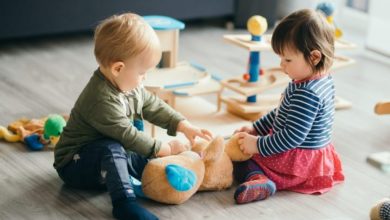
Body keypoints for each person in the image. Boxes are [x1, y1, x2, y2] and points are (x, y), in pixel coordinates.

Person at [53, 13, 212, 219]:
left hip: (109, 149)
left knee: (134, 141)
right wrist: (163, 148)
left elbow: (152, 105)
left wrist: (182, 125)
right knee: (116, 147)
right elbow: (128, 136)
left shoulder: (129, 85)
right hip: (75, 165)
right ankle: (124, 203)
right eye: (142, 72)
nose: (144, 78)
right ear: (118, 68)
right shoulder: (100, 99)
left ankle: (158, 179)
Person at [233, 8, 344, 204]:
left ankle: (260, 179)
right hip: (313, 158)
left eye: (288, 59)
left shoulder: (307, 92)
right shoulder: (319, 79)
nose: (282, 65)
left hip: (297, 161)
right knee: (245, 146)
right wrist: (256, 128)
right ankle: (262, 174)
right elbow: (283, 112)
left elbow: (291, 137)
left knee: (241, 158)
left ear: (314, 57)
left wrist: (257, 145)